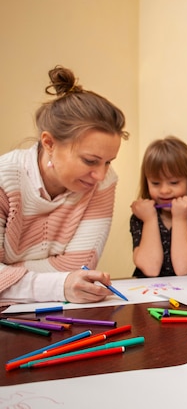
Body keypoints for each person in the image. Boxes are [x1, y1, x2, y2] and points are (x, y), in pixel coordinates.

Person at [0, 65, 129, 304]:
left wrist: (10, 273)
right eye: (90, 161)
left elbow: (77, 266)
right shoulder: (4, 180)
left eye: (108, 162)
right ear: (49, 143)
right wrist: (60, 283)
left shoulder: (103, 182)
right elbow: (68, 277)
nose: (100, 175)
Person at [130, 136, 187, 278]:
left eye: (174, 182)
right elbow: (150, 269)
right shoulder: (142, 215)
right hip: (149, 294)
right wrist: (149, 220)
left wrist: (180, 218)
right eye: (155, 183)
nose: (164, 190)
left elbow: (183, 268)